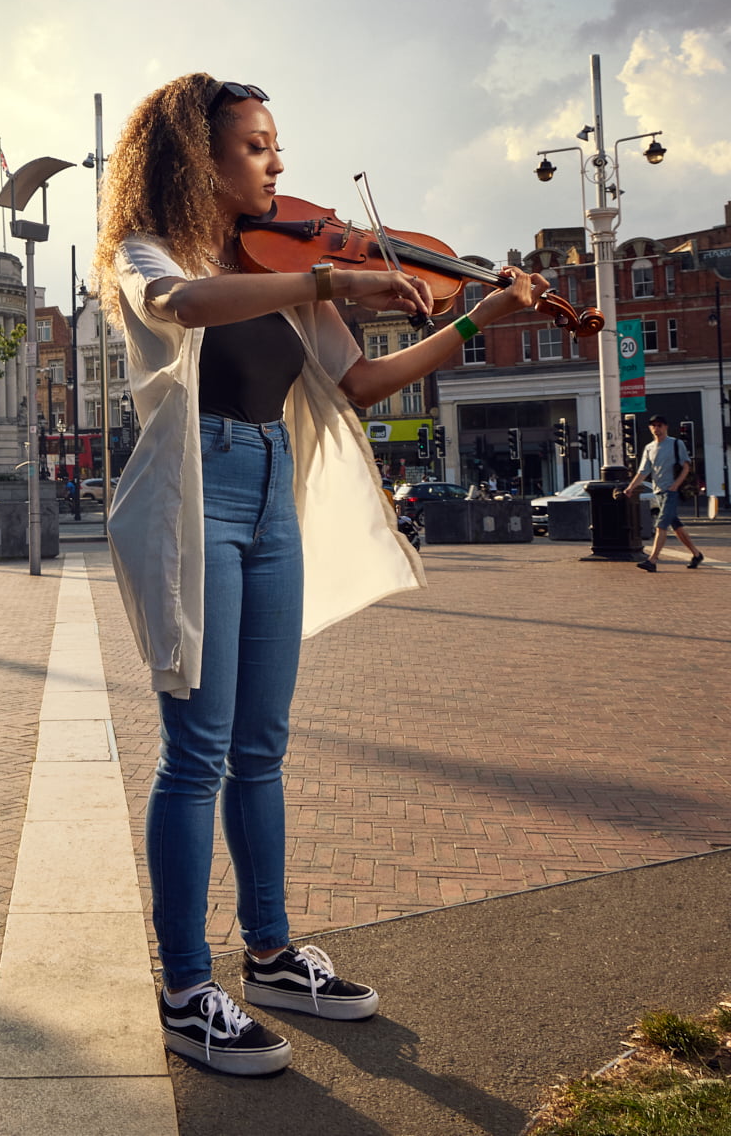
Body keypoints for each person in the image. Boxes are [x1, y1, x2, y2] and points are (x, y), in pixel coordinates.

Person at [95, 74, 548, 1076]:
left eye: (273, 144)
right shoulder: (150, 251)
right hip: (195, 495)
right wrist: (326, 283)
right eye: (255, 146)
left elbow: (360, 381)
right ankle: (182, 987)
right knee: (195, 752)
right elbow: (178, 303)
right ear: (197, 161)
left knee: (260, 743)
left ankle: (267, 954)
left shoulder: (285, 255)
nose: (276, 164)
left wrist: (473, 317)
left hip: (267, 489)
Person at [623, 414, 704, 572]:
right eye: (653, 426)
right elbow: (643, 472)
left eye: (660, 425)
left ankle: (652, 560)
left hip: (671, 492)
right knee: (677, 526)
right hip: (658, 492)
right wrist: (631, 487)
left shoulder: (675, 444)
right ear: (650, 428)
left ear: (666, 427)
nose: (656, 428)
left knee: (661, 525)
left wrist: (676, 484)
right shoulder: (649, 448)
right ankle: (696, 554)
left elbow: (686, 466)